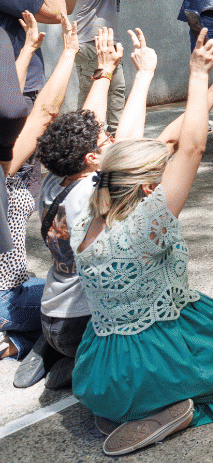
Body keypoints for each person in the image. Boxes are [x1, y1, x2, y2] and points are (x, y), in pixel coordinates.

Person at [70, 34, 213, 457]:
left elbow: (140, 143)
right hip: (154, 365)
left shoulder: (88, 209)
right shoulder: (147, 224)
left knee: (119, 397)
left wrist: (212, 87)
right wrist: (196, 74)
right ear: (149, 187)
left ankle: (126, 412)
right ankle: (180, 406)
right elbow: (192, 146)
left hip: (103, 375)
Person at [11, 27, 123, 389]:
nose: (112, 139)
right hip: (80, 323)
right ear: (92, 159)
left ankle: (48, 349)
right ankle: (78, 362)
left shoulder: (51, 182)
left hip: (51, 314)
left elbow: (79, 130)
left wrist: (102, 74)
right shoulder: (95, 191)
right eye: (107, 138)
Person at [1, 18, 85, 364]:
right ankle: (36, 339)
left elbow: (6, 100)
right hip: (8, 300)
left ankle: (17, 343)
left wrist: (29, 50)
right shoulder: (4, 165)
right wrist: (68, 53)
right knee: (77, 288)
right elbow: (43, 113)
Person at [62, 0, 133, 133]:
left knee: (116, 90)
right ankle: (83, 137)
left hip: (106, 44)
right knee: (92, 91)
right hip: (92, 45)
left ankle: (115, 134)